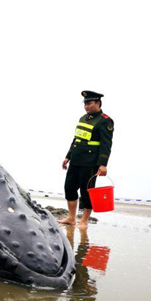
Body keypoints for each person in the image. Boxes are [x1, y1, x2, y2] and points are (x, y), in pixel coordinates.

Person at [59, 90, 114, 229]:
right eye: (85, 103)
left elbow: (106, 144)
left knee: (87, 191)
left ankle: (84, 220)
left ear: (98, 103)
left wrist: (103, 164)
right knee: (69, 187)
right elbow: (76, 139)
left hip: (90, 162)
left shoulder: (105, 120)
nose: (86, 106)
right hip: (76, 160)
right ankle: (71, 218)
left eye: (89, 103)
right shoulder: (83, 118)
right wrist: (68, 156)